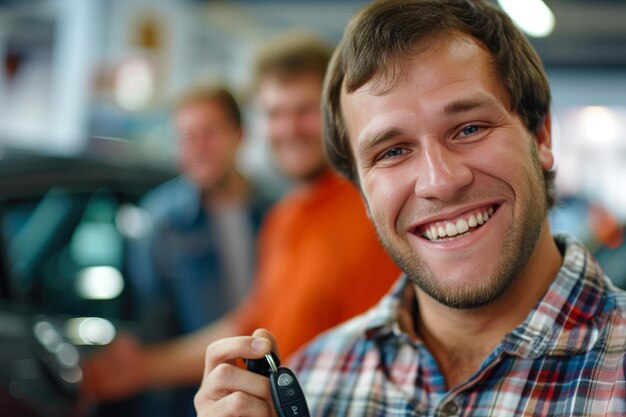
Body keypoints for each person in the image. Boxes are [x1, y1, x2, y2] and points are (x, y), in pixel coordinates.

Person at [194, 1, 626, 416]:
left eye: (469, 128)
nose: (439, 181)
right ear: (362, 192)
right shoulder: (315, 381)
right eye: (393, 151)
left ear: (542, 137)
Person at [83, 34, 400, 403]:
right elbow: (251, 325)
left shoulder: (372, 209)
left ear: (337, 110)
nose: (289, 129)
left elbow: (386, 355)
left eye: (304, 110)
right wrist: (142, 368)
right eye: (275, 113)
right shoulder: (283, 216)